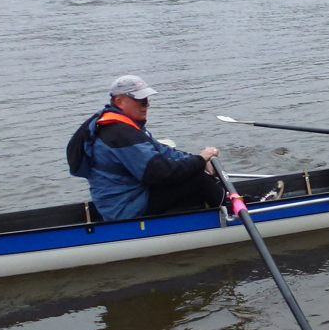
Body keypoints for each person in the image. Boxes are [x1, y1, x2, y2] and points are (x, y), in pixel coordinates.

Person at [67, 75, 224, 221]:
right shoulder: (119, 133)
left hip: (131, 197)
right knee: (197, 179)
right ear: (120, 101)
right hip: (124, 209)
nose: (146, 105)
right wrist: (200, 161)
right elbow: (159, 173)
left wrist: (199, 159)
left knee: (193, 173)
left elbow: (163, 151)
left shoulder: (124, 125)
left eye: (147, 100)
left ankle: (220, 205)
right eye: (141, 101)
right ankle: (233, 211)